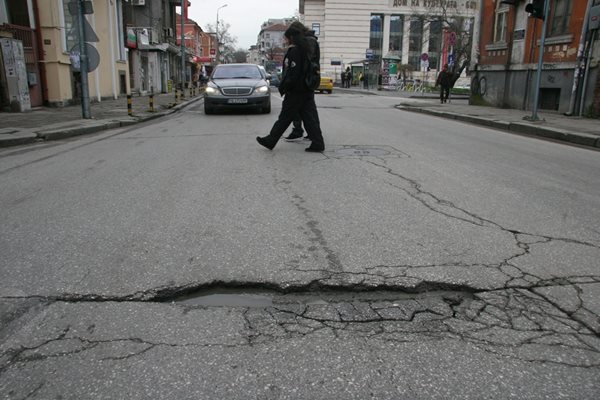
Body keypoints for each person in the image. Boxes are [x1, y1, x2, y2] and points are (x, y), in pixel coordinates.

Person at [256, 22, 325, 152]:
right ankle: (317, 143)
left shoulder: (295, 51)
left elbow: (293, 73)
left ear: (292, 37)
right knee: (309, 117)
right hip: (306, 88)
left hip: (296, 91)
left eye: (286, 38)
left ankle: (271, 140)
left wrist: (286, 86)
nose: (285, 40)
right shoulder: (307, 48)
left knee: (285, 117)